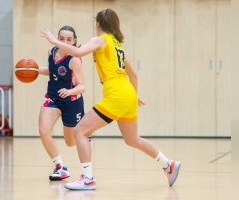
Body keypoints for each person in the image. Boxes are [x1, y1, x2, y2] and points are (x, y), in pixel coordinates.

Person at [41, 9, 181, 190]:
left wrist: (55, 41)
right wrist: (133, 96)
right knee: (133, 139)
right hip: (128, 93)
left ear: (98, 24)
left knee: (80, 131)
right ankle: (167, 164)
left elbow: (77, 51)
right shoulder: (117, 45)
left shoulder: (100, 39)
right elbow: (134, 75)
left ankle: (88, 178)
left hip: (116, 93)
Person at [38, 25, 85, 181]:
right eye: (62, 38)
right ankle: (60, 167)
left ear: (74, 41)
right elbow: (52, 71)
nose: (65, 41)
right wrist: (36, 70)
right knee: (44, 130)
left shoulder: (74, 60)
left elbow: (82, 86)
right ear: (57, 39)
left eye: (69, 39)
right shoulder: (51, 53)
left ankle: (84, 134)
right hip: (53, 98)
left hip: (72, 101)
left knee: (70, 142)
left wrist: (70, 91)